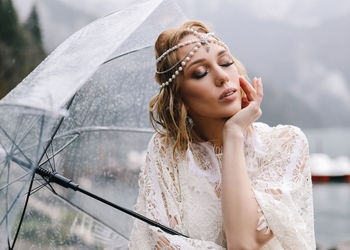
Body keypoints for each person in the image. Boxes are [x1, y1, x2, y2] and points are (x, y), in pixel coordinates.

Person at [129, 20, 316, 249]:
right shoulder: (167, 152)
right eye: (200, 73)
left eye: (226, 62)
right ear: (180, 97)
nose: (222, 77)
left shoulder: (286, 143)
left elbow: (245, 243)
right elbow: (161, 243)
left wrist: (234, 132)